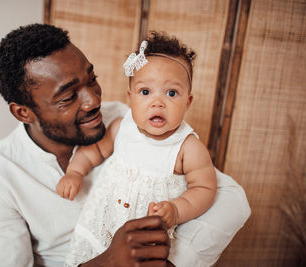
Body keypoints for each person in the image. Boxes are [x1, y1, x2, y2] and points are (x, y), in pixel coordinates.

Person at [0, 23, 251, 267]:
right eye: (68, 97)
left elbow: (231, 199)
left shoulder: (129, 121)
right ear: (24, 113)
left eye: (92, 79)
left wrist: (171, 261)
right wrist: (105, 263)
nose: (93, 101)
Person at [57, 32, 217, 266]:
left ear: (188, 102)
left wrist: (176, 209)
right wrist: (75, 172)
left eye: (171, 93)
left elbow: (204, 188)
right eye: (145, 92)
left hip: (146, 238)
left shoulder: (187, 147)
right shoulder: (122, 127)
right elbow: (95, 151)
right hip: (102, 222)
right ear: (130, 97)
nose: (158, 102)